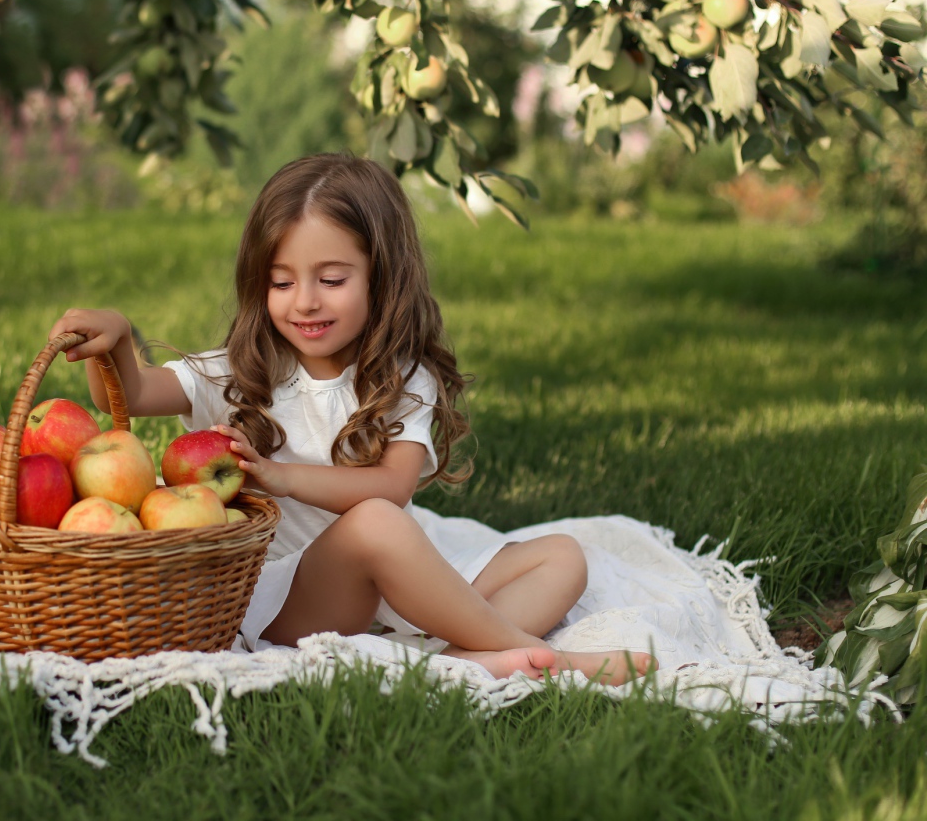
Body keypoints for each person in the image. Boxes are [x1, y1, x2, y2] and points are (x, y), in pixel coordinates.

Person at [48, 154, 655, 683]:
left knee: (563, 556)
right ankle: (531, 653)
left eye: (332, 279)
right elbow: (128, 395)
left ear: (380, 277)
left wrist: (284, 478)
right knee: (375, 525)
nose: (305, 301)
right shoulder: (240, 370)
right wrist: (117, 340)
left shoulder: (402, 377)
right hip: (290, 596)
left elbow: (393, 486)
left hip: (387, 578)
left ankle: (460, 657)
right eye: (281, 282)